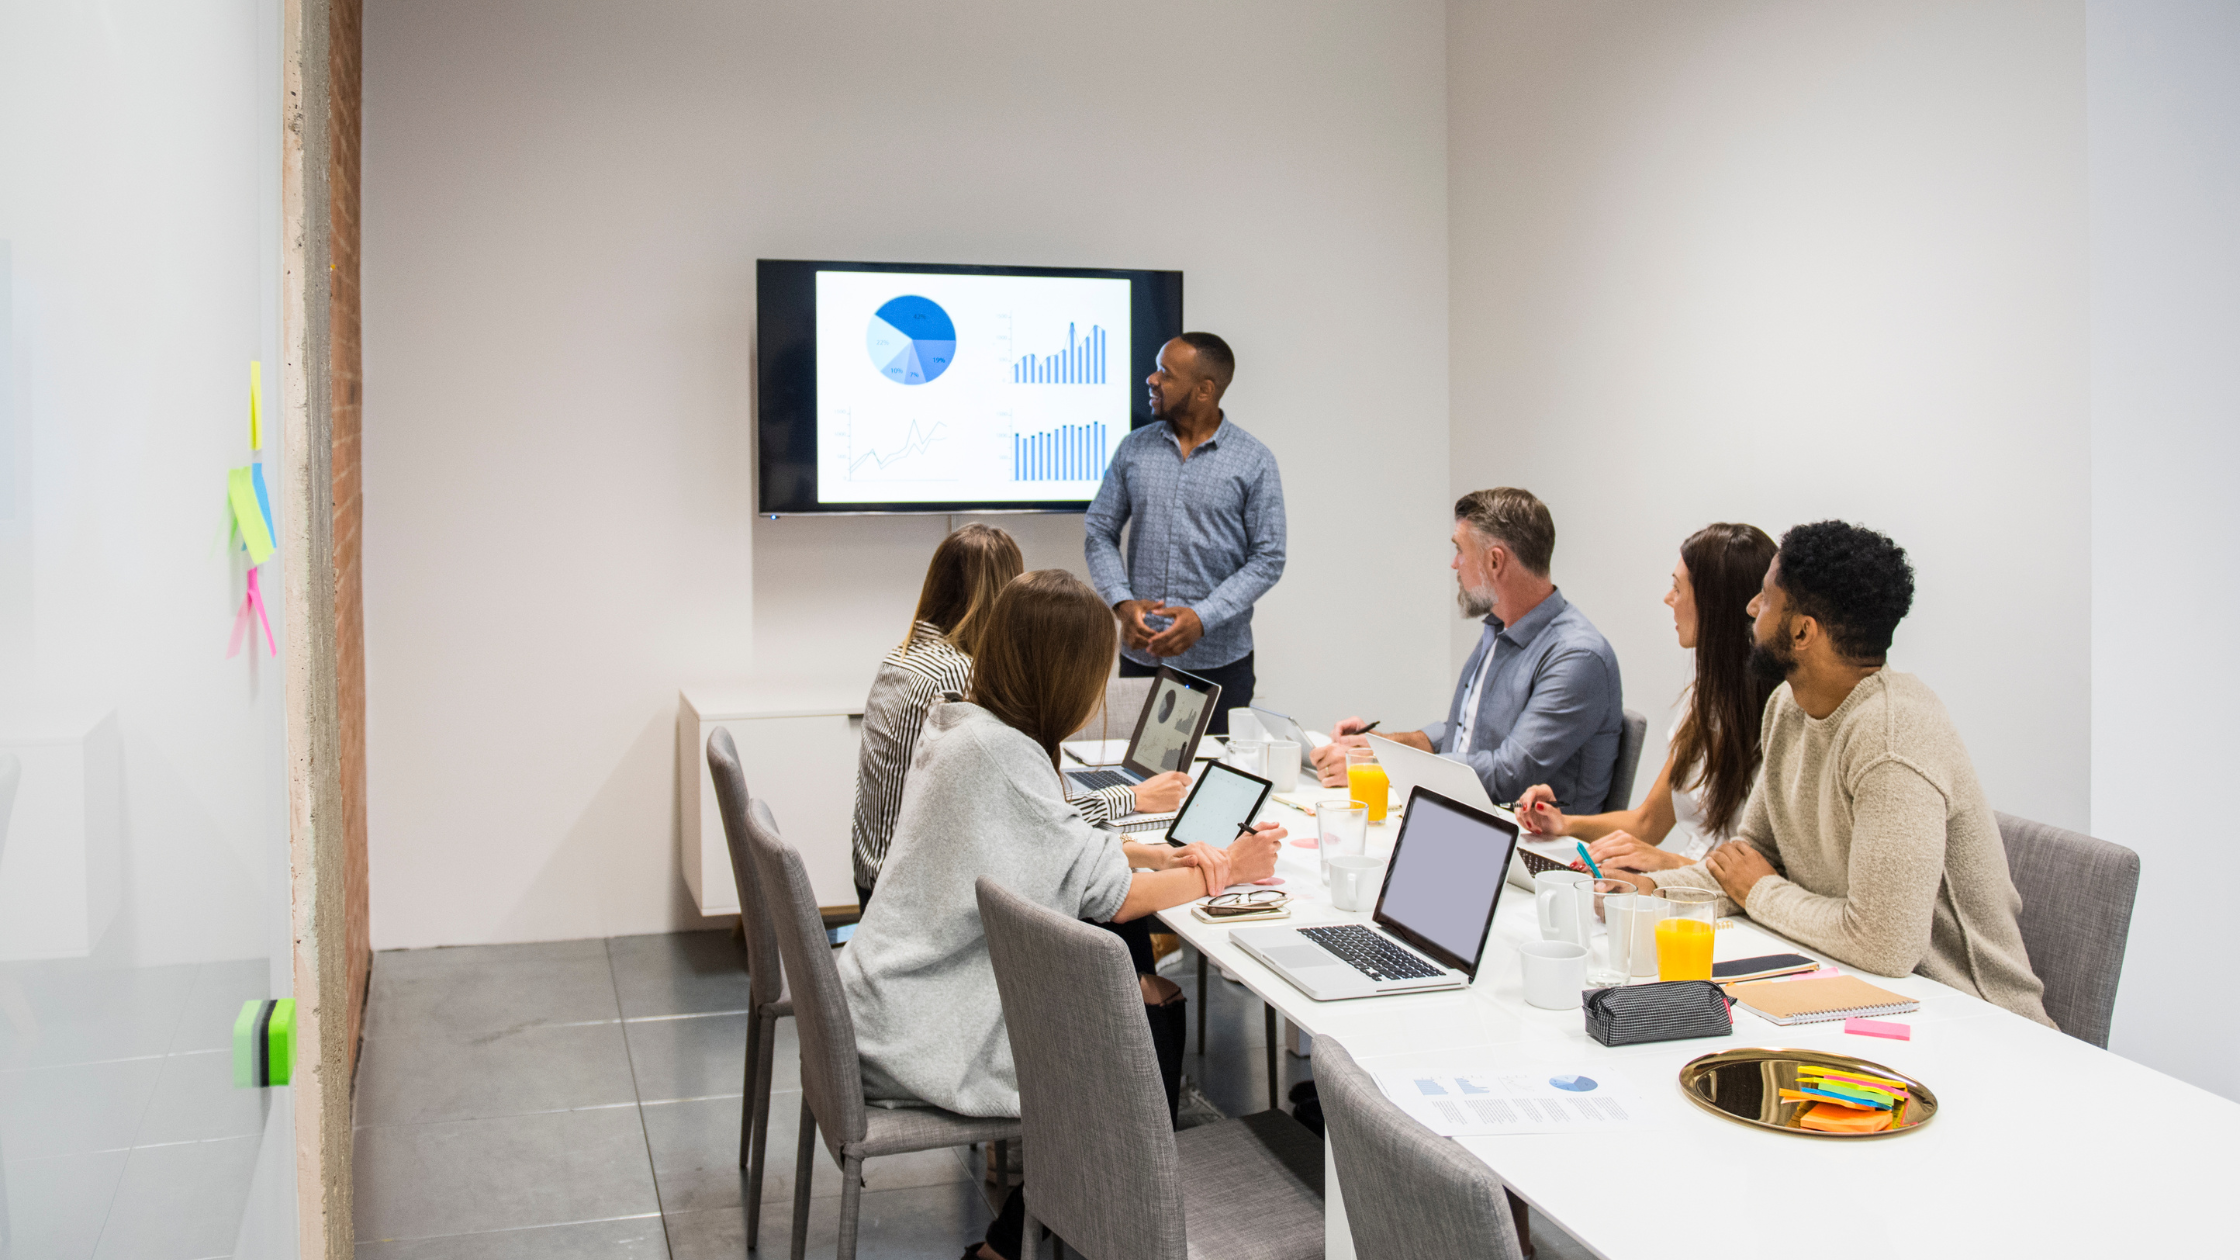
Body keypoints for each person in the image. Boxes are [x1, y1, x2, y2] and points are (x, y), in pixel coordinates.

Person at [837, 570, 1284, 1260]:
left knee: (1140, 998)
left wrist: (1159, 858)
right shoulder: (1000, 755)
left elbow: (1056, 842)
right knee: (1140, 1017)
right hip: (924, 1024)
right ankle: (1106, 1223)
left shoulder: (971, 728)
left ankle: (1053, 1226)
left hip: (893, 993)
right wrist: (1227, 869)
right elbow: (1113, 898)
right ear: (1065, 673)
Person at [1617, 521, 2051, 1025]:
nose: (1751, 609)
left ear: (1803, 631)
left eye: (1765, 597)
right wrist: (1653, 891)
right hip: (1865, 996)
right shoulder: (1787, 706)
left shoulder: (1893, 737)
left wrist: (1758, 891)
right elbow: (1751, 857)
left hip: (1976, 1021)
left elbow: (1883, 943)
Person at [849, 526, 1188, 907]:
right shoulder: (960, 678)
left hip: (878, 875)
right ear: (1004, 601)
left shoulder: (902, 657)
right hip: (920, 891)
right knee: (1109, 909)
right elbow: (1030, 814)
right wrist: (1128, 798)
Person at [1313, 487, 1623, 807]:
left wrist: (1382, 764)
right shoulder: (1499, 628)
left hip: (1534, 847)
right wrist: (1380, 745)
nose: (1454, 564)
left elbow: (1508, 774)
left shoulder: (1577, 657)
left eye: (1460, 551)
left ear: (1494, 561)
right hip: (1469, 817)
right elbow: (1470, 730)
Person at [1516, 523, 1778, 871]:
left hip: (1726, 905)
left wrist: (1663, 863)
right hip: (1689, 889)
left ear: (1714, 606)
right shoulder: (1704, 700)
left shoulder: (1780, 718)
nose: (1668, 599)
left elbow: (1764, 877)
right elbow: (1647, 822)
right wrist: (1564, 823)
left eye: (1677, 588)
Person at [1085, 331, 1285, 733]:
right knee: (1142, 783)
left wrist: (1202, 618)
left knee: (1216, 781)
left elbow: (1269, 558)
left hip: (1221, 666)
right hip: (1143, 660)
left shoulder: (1254, 461)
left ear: (1204, 390)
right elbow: (1099, 530)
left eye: (1165, 373)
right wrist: (1122, 602)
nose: (1152, 380)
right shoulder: (1133, 449)